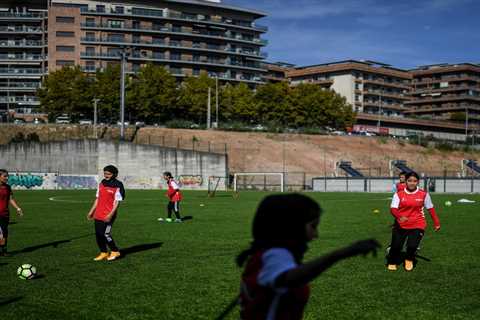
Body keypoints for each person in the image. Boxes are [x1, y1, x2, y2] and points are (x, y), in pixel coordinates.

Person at [237, 194, 380, 320]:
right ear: (291, 226)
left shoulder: (264, 253)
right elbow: (288, 279)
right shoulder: (275, 255)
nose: (316, 235)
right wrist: (341, 253)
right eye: (313, 226)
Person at [387, 171, 440, 271]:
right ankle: (392, 261)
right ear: (406, 182)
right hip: (401, 224)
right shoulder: (399, 194)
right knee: (396, 246)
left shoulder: (424, 194)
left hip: (418, 223)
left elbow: (430, 209)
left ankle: (409, 259)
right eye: (410, 180)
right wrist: (399, 217)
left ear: (418, 182)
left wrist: (436, 222)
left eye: (415, 181)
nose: (412, 183)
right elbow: (393, 209)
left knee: (412, 245)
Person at [87, 165, 125, 261]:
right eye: (105, 173)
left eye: (108, 174)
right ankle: (103, 252)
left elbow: (117, 202)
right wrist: (91, 211)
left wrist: (110, 215)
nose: (106, 175)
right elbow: (98, 198)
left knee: (106, 234)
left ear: (114, 174)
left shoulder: (118, 185)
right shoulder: (102, 183)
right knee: (98, 234)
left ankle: (115, 251)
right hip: (98, 213)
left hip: (109, 215)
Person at [0, 169, 23, 256]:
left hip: (5, 214)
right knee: (1, 233)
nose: (7, 178)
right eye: (4, 176)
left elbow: (10, 199)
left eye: (7, 176)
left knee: (4, 233)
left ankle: (3, 250)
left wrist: (18, 208)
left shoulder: (8, 187)